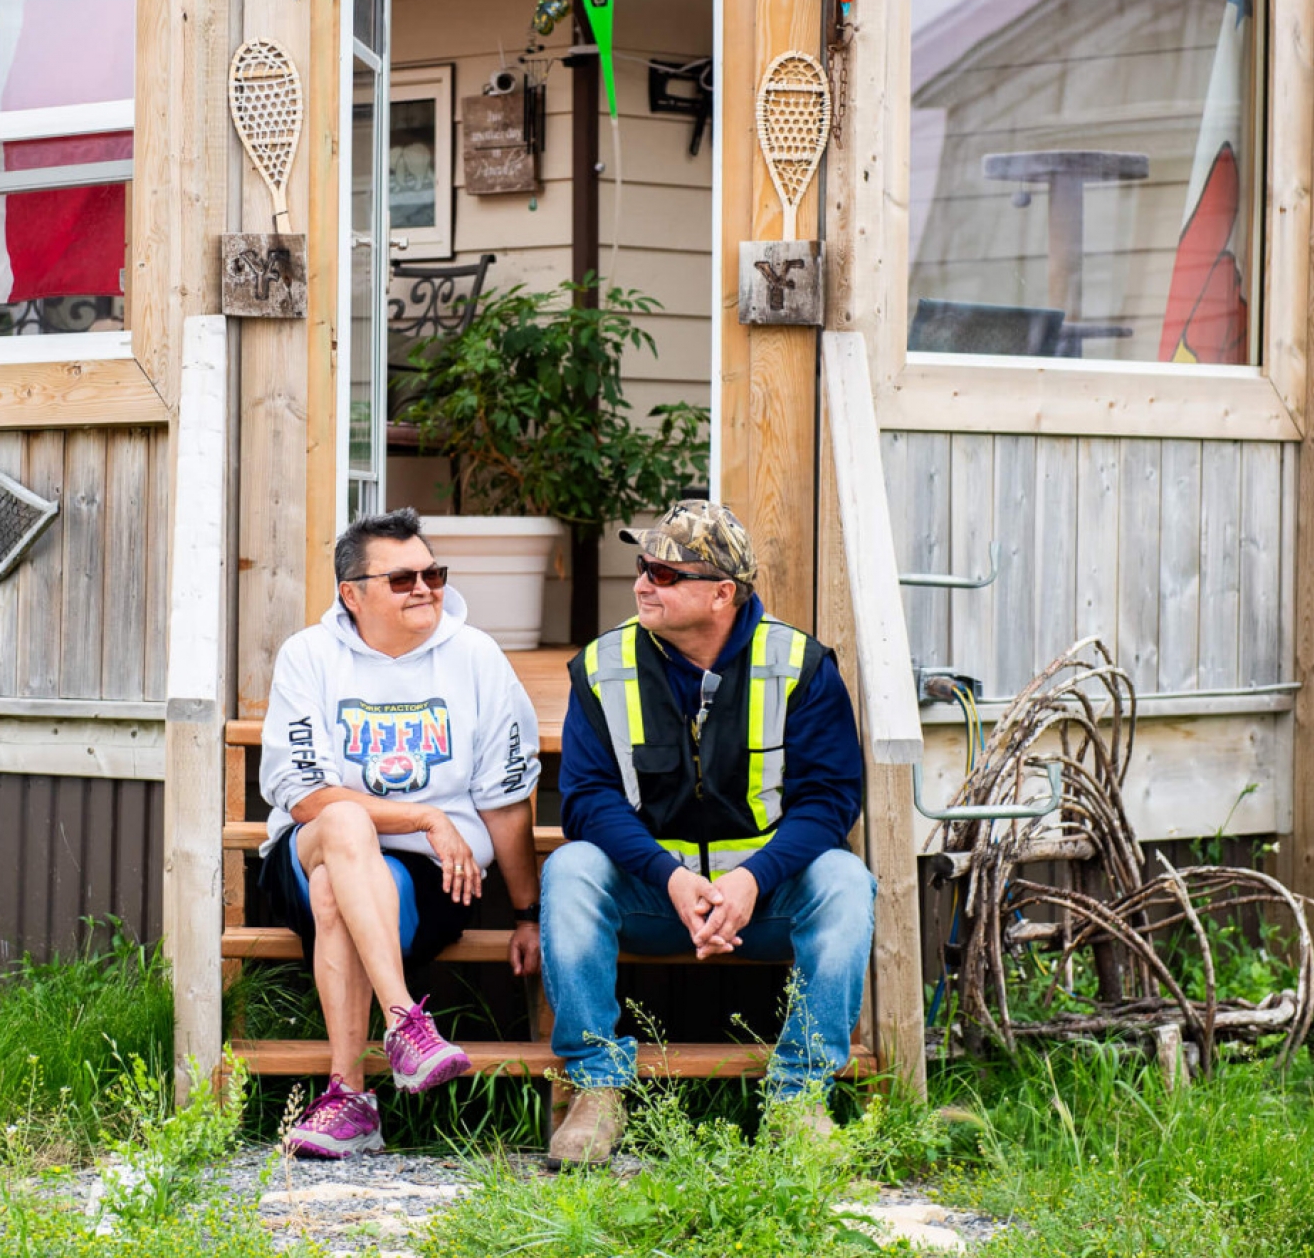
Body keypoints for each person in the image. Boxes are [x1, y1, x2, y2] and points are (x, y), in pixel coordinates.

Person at [540, 499, 875, 1167]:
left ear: (722, 592)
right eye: (642, 566)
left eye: (664, 573)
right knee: (570, 866)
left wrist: (753, 878)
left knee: (845, 879)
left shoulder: (801, 665)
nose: (642, 583)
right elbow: (586, 799)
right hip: (653, 898)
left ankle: (798, 1096)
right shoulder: (603, 665)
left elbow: (831, 799)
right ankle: (597, 1086)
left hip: (764, 901)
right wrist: (672, 878)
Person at [257, 508, 544, 1159]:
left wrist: (527, 912)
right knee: (342, 824)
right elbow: (307, 798)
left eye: (433, 573)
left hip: (425, 879)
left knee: (339, 888)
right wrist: (425, 814)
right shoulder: (310, 655)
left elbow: (504, 798)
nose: (425, 588)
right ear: (351, 594)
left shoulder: (475, 657)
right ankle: (405, 1021)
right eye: (403, 578)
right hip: (305, 854)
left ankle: (350, 1099)